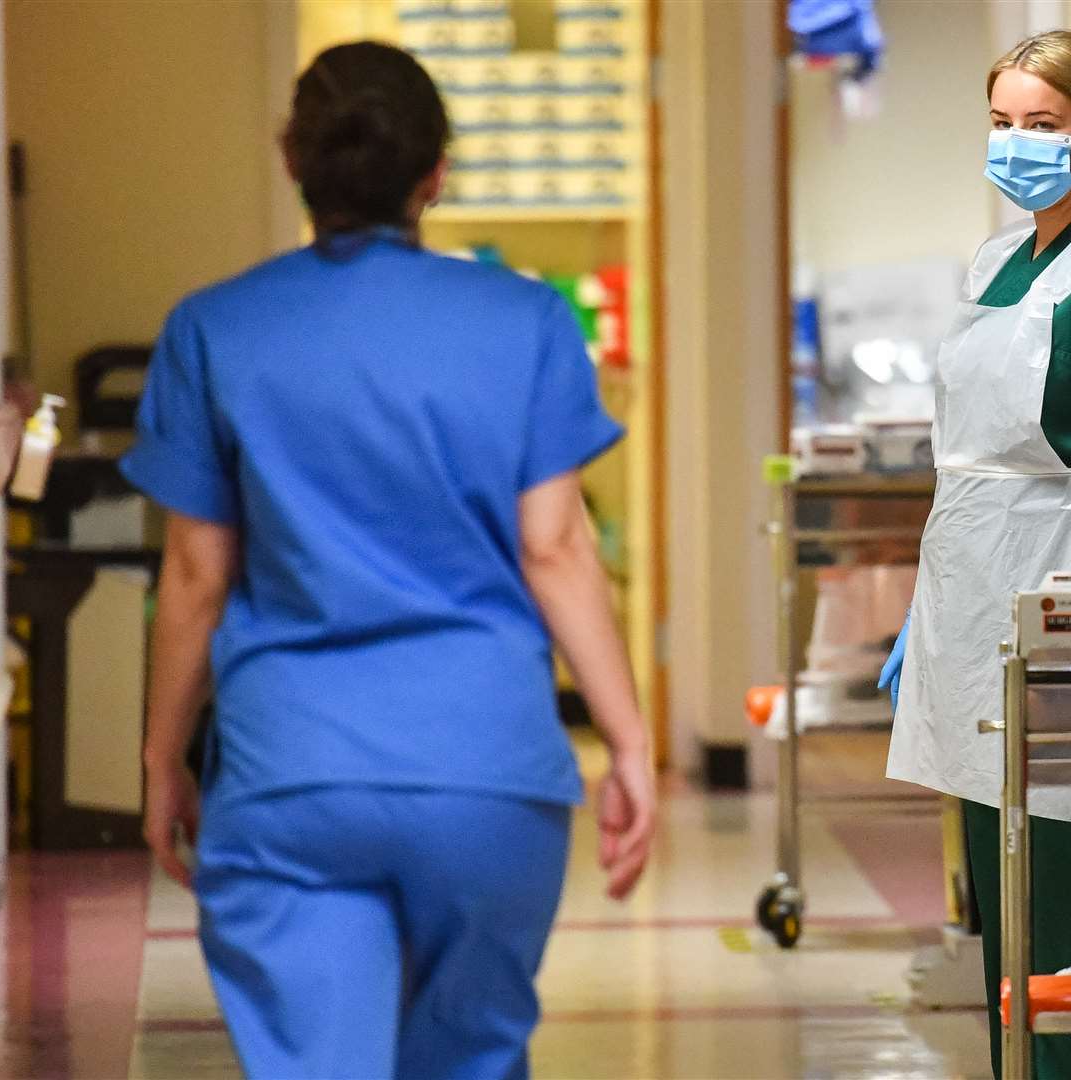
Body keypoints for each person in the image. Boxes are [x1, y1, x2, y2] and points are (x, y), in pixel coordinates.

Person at [121, 42, 656, 1080]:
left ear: (293, 161)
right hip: (486, 778)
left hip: (289, 777)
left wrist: (159, 761)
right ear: (436, 175)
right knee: (468, 1056)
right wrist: (627, 743)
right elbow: (553, 546)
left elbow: (195, 576)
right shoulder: (527, 320)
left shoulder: (213, 329)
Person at [879, 29, 1071, 1080]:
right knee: (1003, 890)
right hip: (973, 606)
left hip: (1067, 603)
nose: (1017, 144)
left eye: (1044, 126)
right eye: (1002, 123)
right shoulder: (999, 260)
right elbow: (973, 463)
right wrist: (931, 621)